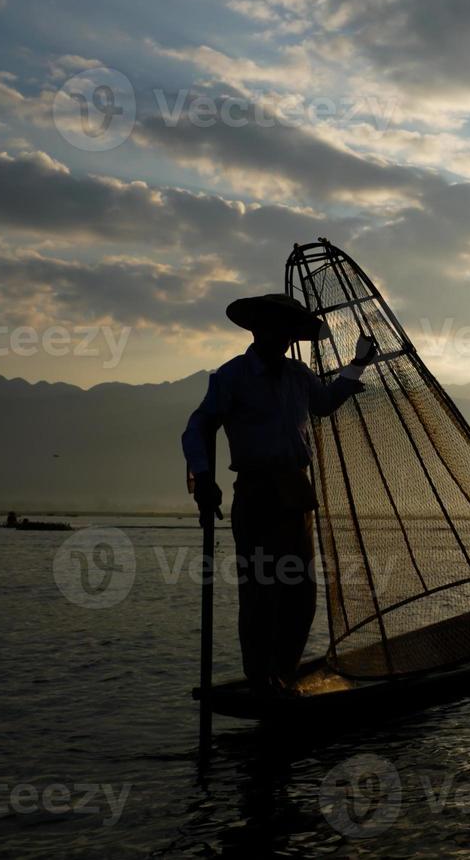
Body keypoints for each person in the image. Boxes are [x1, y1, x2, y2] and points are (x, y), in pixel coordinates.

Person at [181, 293, 377, 697]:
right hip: (256, 492)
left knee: (300, 594)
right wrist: (203, 477)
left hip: (296, 493)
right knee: (260, 591)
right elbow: (198, 427)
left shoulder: (299, 376)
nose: (282, 338)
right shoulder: (231, 377)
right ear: (257, 330)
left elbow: (324, 403)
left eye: (288, 332)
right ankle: (261, 679)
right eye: (275, 329)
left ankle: (282, 675)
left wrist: (357, 366)